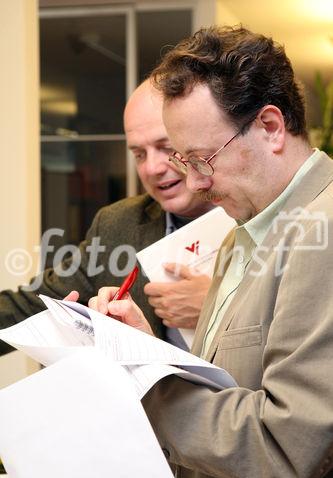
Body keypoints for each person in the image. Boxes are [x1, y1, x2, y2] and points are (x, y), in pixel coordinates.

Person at [89, 27, 333, 478]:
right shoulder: (244, 231)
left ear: (270, 127)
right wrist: (145, 350)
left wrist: (146, 388)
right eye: (185, 161)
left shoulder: (321, 234)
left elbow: (287, 446)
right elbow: (230, 388)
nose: (196, 184)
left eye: (203, 158)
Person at [0, 79, 214, 355]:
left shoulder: (261, 216)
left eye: (166, 147)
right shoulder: (117, 224)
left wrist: (215, 307)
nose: (152, 168)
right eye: (139, 154)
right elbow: (29, 306)